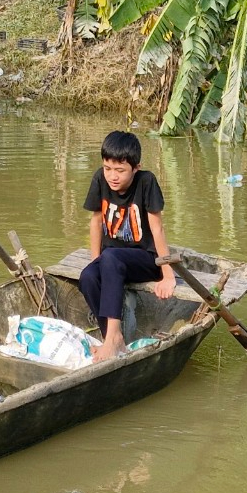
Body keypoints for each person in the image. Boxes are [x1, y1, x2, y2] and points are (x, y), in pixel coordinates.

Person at [79, 130, 176, 363]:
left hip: (144, 259)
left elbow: (157, 229)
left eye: (120, 171)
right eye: (108, 168)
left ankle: (112, 338)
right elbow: (96, 221)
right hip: (112, 259)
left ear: (136, 167)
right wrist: (96, 261)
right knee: (87, 277)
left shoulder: (147, 182)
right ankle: (112, 338)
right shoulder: (100, 179)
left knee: (110, 257)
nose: (113, 176)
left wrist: (167, 274)